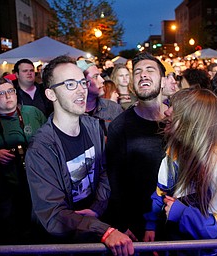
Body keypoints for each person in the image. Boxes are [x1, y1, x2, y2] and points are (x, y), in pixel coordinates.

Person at [25, 55, 134, 255]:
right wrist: (103, 230)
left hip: (92, 232)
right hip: (60, 244)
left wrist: (96, 210)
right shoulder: (41, 149)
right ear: (51, 94)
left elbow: (103, 172)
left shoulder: (94, 127)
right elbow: (52, 215)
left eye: (82, 82)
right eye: (69, 84)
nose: (81, 89)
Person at [144, 89, 217, 256]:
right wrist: (151, 225)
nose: (167, 111)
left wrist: (182, 214)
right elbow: (161, 192)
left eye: (175, 107)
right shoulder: (174, 153)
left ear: (194, 118)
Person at [104, 52, 167, 242]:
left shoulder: (180, 119)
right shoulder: (120, 126)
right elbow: (114, 182)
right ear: (132, 84)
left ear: (163, 81)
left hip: (181, 223)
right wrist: (124, 224)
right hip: (140, 229)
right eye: (137, 72)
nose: (143, 75)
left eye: (150, 70)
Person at [0, 77, 46, 245]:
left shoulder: (33, 113)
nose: (8, 96)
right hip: (5, 191)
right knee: (11, 233)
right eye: (1, 93)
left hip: (37, 185)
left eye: (10, 91)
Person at [76, 60, 123, 135]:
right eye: (95, 77)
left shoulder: (114, 109)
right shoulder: (71, 112)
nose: (102, 80)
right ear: (82, 82)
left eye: (100, 75)